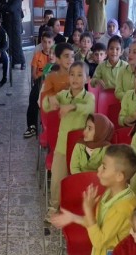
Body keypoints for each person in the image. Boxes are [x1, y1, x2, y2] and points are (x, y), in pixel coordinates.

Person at [42, 61, 95, 219]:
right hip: (62, 146)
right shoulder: (63, 95)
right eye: (72, 75)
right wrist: (50, 99)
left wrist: (72, 106)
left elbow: (89, 108)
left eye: (79, 75)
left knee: (81, 178)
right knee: (57, 179)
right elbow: (45, 106)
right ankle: (54, 206)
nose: (75, 78)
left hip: (82, 147)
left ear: (87, 79)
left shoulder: (89, 97)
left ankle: (81, 208)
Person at [23, 31, 54, 138]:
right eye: (44, 42)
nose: (47, 45)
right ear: (41, 42)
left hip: (53, 84)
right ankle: (32, 126)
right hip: (40, 82)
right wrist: (46, 70)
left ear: (53, 43)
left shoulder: (56, 57)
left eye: (49, 42)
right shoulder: (37, 56)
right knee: (33, 98)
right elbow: (34, 76)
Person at [2, 0, 26, 69]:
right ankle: (12, 62)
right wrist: (5, 8)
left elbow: (11, 8)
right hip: (8, 23)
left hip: (16, 24)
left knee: (17, 44)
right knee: (10, 44)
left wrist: (4, 7)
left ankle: (22, 62)